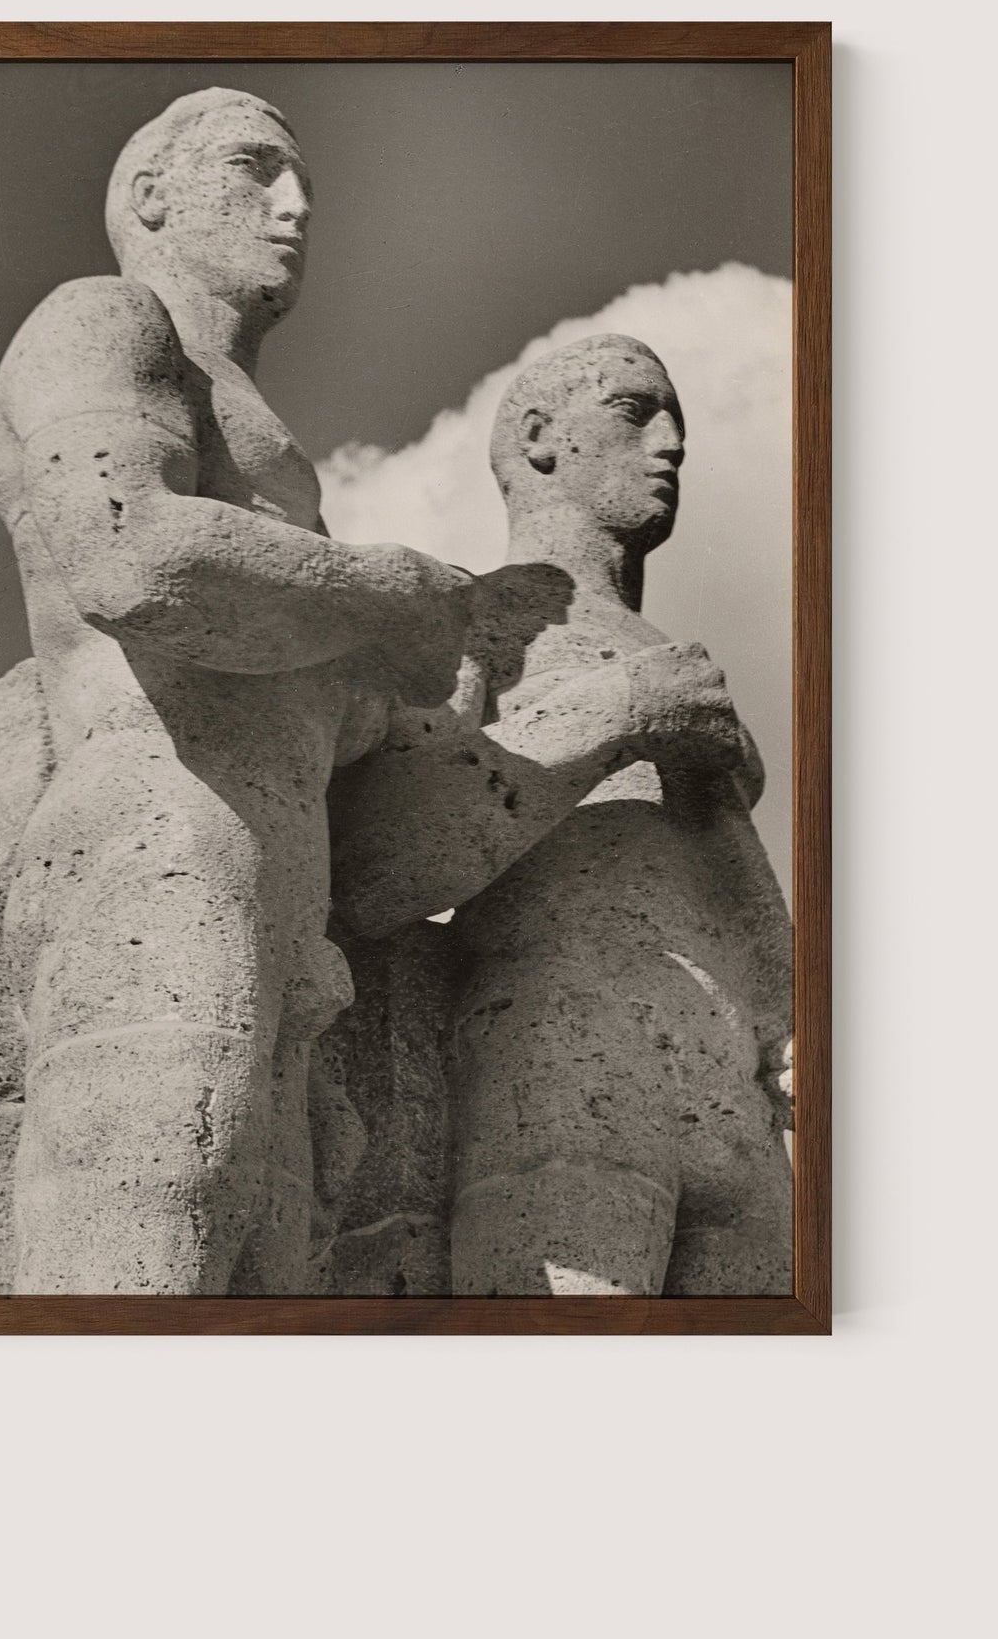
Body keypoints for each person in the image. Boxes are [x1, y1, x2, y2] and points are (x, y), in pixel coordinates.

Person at [0, 88, 471, 1294]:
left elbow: (335, 728)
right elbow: (126, 550)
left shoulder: (271, 464)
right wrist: (385, 592)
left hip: (286, 912)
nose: (295, 207)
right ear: (152, 196)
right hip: (161, 843)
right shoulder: (102, 321)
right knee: (142, 1253)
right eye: (257, 171)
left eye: (298, 180)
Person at [330, 334, 792, 1295]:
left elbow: (731, 873)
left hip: (732, 1087)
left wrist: (787, 1027)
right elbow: (380, 862)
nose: (669, 445)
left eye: (676, 425)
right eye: (633, 412)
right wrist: (619, 716)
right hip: (568, 1040)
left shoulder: (673, 652)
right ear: (538, 437)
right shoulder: (475, 621)